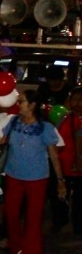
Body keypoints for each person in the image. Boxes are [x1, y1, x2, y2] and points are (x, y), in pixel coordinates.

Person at [0, 91, 67, 254]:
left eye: (21, 101)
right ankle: (15, 248)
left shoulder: (45, 127)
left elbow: (53, 155)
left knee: (33, 220)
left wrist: (60, 180)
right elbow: (2, 144)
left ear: (32, 105)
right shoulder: (14, 122)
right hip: (14, 176)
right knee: (11, 214)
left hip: (37, 179)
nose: (18, 103)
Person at [59, 88, 82, 238]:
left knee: (79, 199)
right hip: (64, 166)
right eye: (74, 99)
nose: (77, 103)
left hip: (78, 167)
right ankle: (60, 221)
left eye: (81, 100)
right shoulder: (64, 119)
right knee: (61, 197)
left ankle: (78, 226)